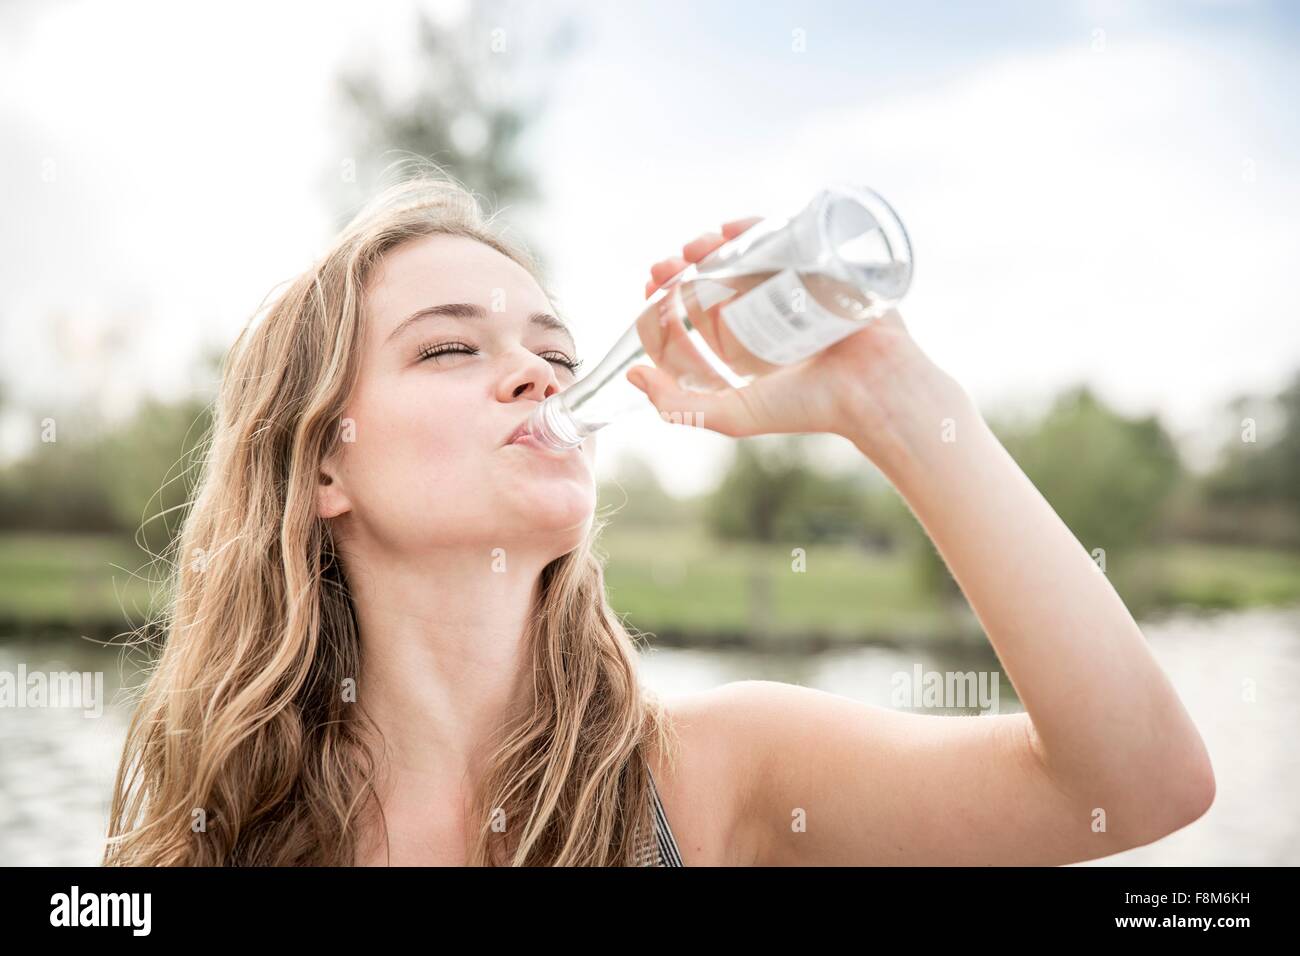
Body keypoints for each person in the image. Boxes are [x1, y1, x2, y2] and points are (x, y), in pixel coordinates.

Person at [103, 164, 1214, 866]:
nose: (536, 376)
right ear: (319, 470)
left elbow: (1135, 786)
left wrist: (893, 399)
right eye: (450, 347)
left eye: (555, 352)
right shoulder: (208, 836)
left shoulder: (712, 778)